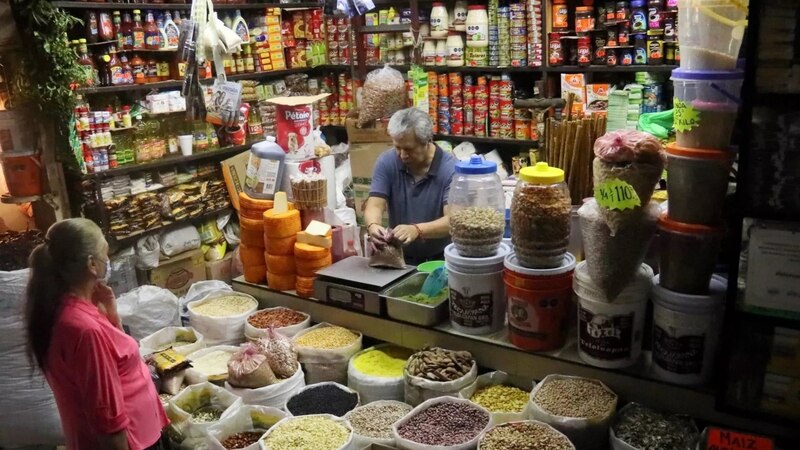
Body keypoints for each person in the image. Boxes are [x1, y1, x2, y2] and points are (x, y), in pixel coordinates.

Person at [25, 218, 169, 450]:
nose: (108, 259)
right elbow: (107, 419)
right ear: (92, 263)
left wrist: (113, 318)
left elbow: (116, 356)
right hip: (131, 442)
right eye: (105, 252)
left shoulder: (67, 307)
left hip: (140, 433)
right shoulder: (83, 330)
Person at [364, 108, 458, 265]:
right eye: (397, 147)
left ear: (427, 140)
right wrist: (373, 226)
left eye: (408, 149)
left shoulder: (450, 170)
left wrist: (417, 230)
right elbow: (374, 204)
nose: (402, 155)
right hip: (399, 258)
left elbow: (452, 221)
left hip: (440, 261)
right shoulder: (386, 162)